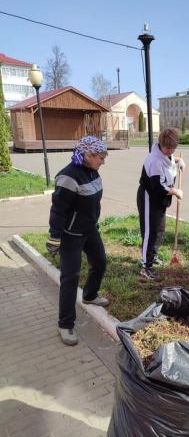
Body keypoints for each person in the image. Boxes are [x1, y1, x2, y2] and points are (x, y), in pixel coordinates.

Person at [46, 136, 110, 346]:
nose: (103, 161)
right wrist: (55, 237)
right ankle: (65, 324)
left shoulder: (92, 171)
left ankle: (90, 295)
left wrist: (92, 221)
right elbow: (58, 210)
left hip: (89, 230)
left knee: (100, 262)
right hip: (71, 235)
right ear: (88, 155)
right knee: (70, 278)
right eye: (101, 157)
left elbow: (92, 204)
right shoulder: (68, 177)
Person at [137, 128, 185, 280]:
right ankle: (146, 267)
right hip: (149, 197)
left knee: (159, 229)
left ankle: (153, 255)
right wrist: (176, 191)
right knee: (150, 232)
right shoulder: (154, 161)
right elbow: (159, 187)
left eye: (173, 148)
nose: (170, 151)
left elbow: (168, 160)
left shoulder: (165, 155)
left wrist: (178, 160)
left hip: (160, 199)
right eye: (167, 148)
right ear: (161, 144)